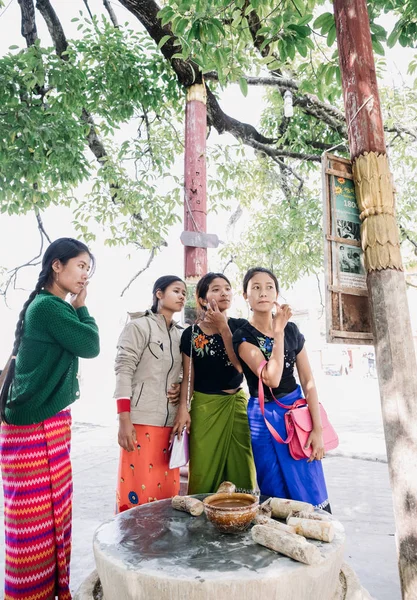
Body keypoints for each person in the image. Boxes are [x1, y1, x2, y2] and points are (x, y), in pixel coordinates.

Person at [0, 238, 99, 600]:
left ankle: (48, 591)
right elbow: (90, 345)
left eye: (88, 268)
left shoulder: (51, 306)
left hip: (41, 425)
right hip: (32, 430)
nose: (85, 274)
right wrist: (83, 308)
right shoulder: (49, 308)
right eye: (80, 265)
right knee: (32, 527)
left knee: (49, 518)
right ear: (56, 266)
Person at [232, 267, 330, 511]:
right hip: (263, 418)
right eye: (255, 287)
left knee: (308, 480)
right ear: (246, 296)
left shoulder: (293, 330)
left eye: (269, 287)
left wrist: (317, 430)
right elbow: (271, 379)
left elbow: (308, 381)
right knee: (272, 483)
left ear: (276, 293)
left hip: (297, 414)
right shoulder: (243, 336)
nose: (263, 292)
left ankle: (313, 538)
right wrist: (277, 332)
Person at [172, 272, 256, 495]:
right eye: (216, 289)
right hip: (204, 407)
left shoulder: (241, 326)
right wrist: (183, 408)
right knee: (204, 468)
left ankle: (242, 515)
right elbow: (188, 377)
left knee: (243, 466)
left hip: (237, 405)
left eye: (227, 288)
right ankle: (200, 518)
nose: (224, 293)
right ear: (201, 298)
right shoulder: (191, 334)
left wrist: (224, 328)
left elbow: (240, 367)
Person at [114, 275, 186, 512]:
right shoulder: (138, 327)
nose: (182, 296)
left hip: (170, 426)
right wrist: (124, 420)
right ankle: (134, 546)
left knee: (167, 497)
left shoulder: (180, 335)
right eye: (176, 291)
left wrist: (181, 388)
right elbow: (124, 370)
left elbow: (186, 374)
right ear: (158, 294)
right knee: (137, 494)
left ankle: (163, 549)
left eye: (184, 293)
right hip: (141, 422)